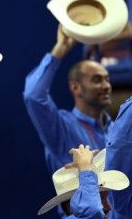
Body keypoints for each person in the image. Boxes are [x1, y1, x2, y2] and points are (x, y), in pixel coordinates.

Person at [23, 26, 112, 175]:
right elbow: (33, 96)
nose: (106, 86)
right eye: (97, 80)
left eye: (107, 79)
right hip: (81, 198)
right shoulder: (62, 128)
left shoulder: (116, 128)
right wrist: (60, 50)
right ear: (75, 87)